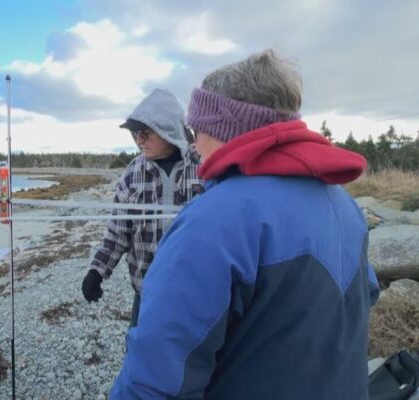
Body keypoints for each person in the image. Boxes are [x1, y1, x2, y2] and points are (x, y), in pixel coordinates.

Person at [111, 50, 381, 399]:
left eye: (198, 129)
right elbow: (363, 299)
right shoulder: (345, 204)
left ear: (224, 126)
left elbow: (156, 381)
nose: (194, 144)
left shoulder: (213, 221)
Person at [81, 88, 203, 327]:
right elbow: (118, 233)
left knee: (191, 361)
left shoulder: (203, 168)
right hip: (146, 294)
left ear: (168, 129)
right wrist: (97, 271)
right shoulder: (132, 174)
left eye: (146, 133)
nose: (139, 140)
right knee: (140, 359)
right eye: (136, 133)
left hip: (196, 294)